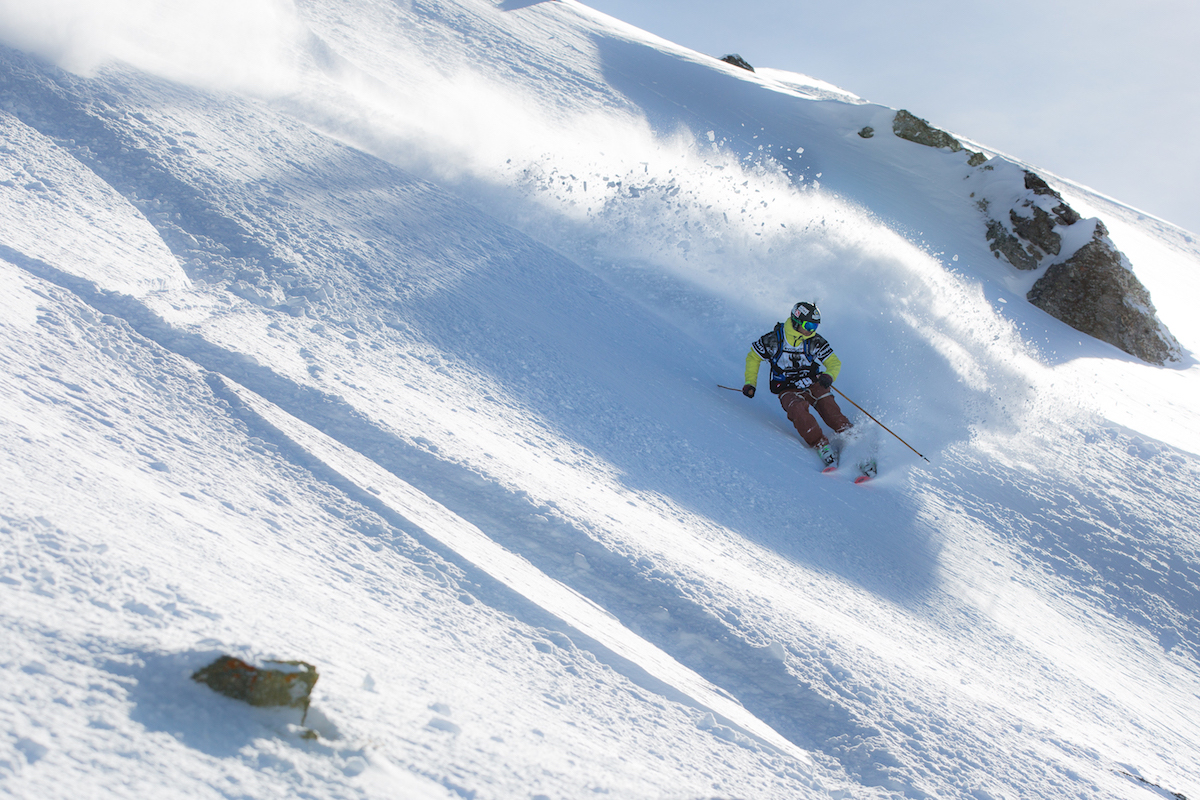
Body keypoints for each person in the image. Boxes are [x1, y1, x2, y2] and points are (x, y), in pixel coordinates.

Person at [741, 301, 852, 467]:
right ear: (796, 321)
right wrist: (750, 383)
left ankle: (851, 437)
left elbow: (834, 362)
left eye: (815, 326)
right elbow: (753, 357)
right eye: (809, 325)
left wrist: (829, 376)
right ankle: (821, 444)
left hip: (813, 382)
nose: (811, 330)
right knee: (797, 409)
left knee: (829, 408)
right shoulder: (774, 340)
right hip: (787, 387)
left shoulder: (814, 341)